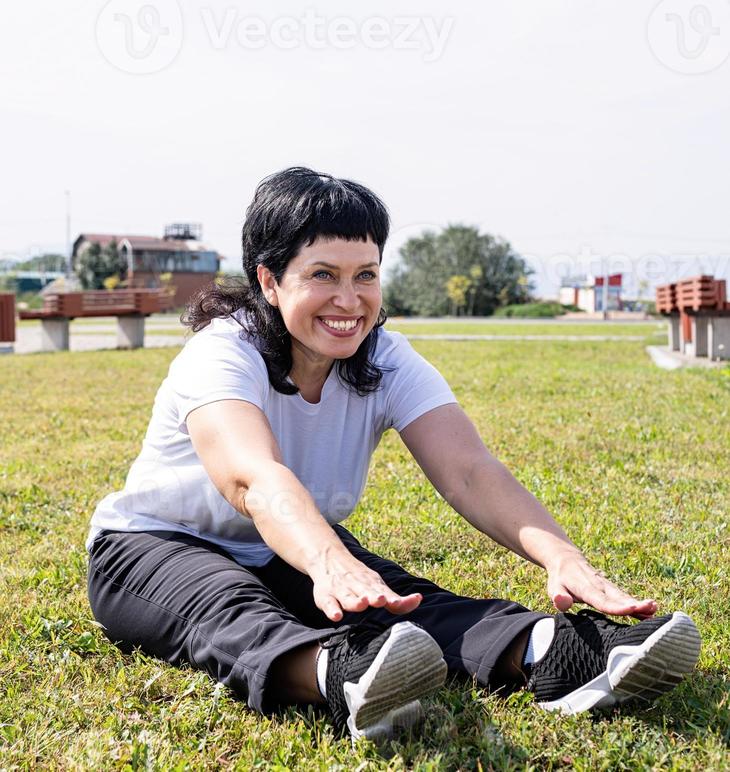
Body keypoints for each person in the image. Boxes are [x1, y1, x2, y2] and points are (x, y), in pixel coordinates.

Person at [86, 167, 700, 743]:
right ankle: (343, 675)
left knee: (401, 600)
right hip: (155, 546)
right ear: (270, 281)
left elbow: (468, 471)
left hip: (290, 543)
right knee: (230, 605)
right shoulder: (223, 353)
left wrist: (560, 555)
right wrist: (326, 559)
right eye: (322, 274)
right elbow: (252, 479)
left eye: (366, 275)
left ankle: (556, 652)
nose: (349, 300)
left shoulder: (387, 359)